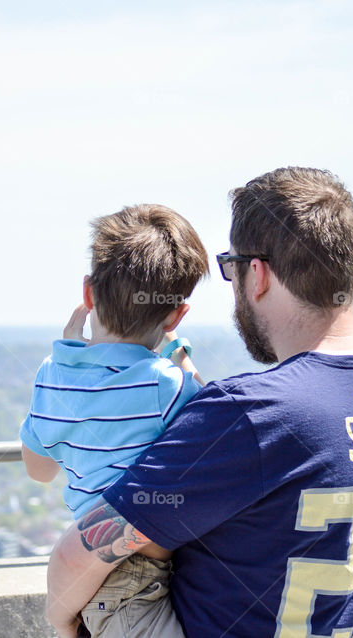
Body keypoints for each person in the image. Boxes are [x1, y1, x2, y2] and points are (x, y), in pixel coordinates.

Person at [46, 167, 353, 638]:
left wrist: (60, 620)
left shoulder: (251, 415)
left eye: (232, 267)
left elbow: (83, 550)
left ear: (259, 274)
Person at [20, 204, 211, 637]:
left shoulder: (52, 376)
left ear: (88, 294)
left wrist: (68, 370)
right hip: (137, 573)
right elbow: (217, 423)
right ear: (176, 315)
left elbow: (39, 470)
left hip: (95, 566)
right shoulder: (167, 385)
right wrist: (183, 364)